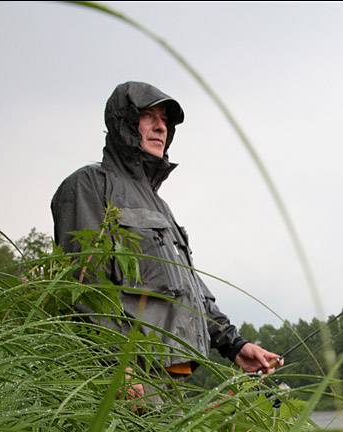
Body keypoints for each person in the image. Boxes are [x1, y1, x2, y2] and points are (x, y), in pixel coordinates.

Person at [51, 81, 281, 399]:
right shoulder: (88, 186)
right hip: (126, 380)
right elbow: (85, 287)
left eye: (166, 121)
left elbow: (190, 292)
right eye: (149, 116)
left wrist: (236, 346)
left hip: (172, 380)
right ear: (124, 122)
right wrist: (120, 367)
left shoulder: (160, 206)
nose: (162, 126)